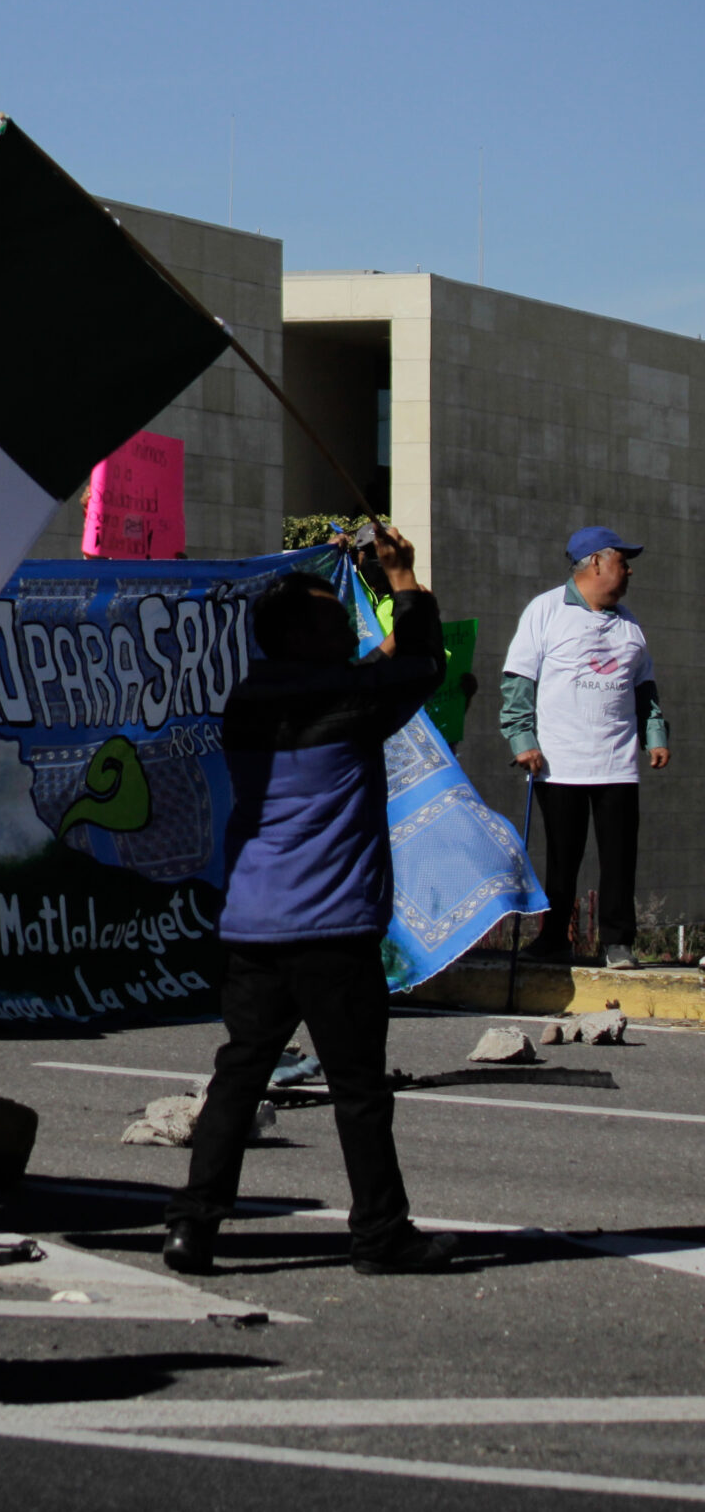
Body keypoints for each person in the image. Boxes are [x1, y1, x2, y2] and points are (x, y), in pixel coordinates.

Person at [163, 530, 457, 1280]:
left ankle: (193, 1226)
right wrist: (401, 578)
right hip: (333, 929)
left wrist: (385, 604)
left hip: (254, 924)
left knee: (238, 1077)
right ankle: (380, 1234)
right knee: (359, 1090)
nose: (348, 630)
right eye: (333, 619)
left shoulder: (250, 700)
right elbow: (425, 663)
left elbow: (376, 670)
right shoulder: (349, 699)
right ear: (300, 635)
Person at [504, 525, 670, 968]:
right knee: (562, 857)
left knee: (619, 856)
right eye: (623, 562)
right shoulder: (546, 610)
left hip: (617, 761)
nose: (629, 571)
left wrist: (654, 735)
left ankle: (618, 943)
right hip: (559, 762)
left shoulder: (628, 623)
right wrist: (523, 740)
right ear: (596, 562)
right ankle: (553, 938)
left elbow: (645, 687)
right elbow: (519, 680)